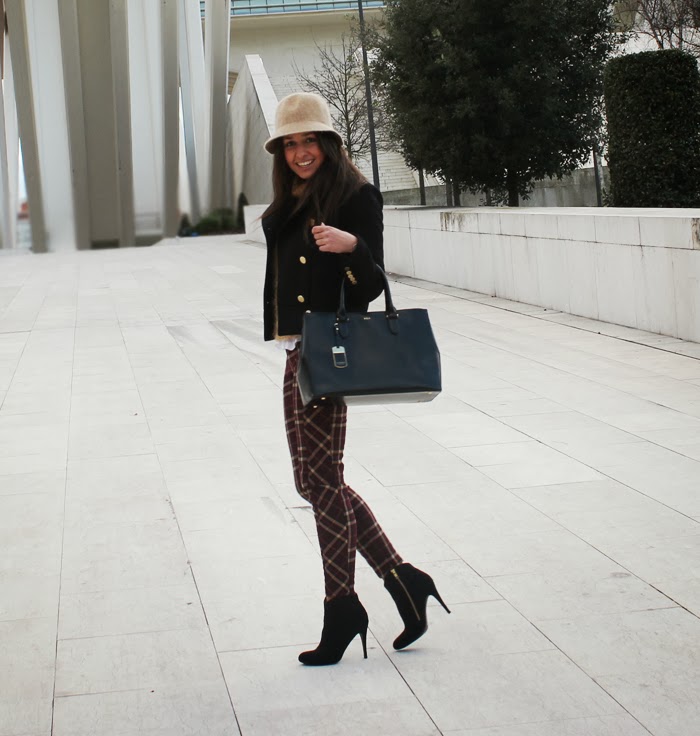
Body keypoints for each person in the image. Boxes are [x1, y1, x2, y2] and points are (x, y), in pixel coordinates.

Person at [261, 92, 450, 666]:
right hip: (298, 350)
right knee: (315, 482)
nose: (300, 153)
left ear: (328, 143)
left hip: (331, 353)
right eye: (290, 144)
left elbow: (369, 284)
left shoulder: (355, 195)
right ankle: (403, 579)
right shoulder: (290, 199)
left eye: (309, 141)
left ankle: (341, 605)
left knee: (321, 482)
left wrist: (352, 247)